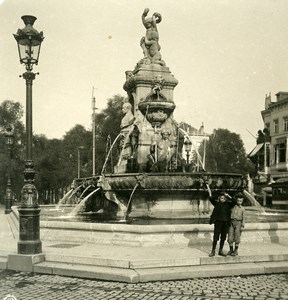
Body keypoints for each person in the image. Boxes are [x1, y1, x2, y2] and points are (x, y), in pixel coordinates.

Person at [206, 183, 236, 257]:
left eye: (223, 198)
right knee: (216, 237)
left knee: (223, 237)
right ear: (219, 198)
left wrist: (227, 195)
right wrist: (219, 194)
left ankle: (220, 250)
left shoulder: (228, 204)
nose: (222, 199)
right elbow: (211, 198)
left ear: (225, 199)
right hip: (218, 222)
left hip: (226, 222)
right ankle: (213, 251)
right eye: (221, 198)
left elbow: (234, 201)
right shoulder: (216, 203)